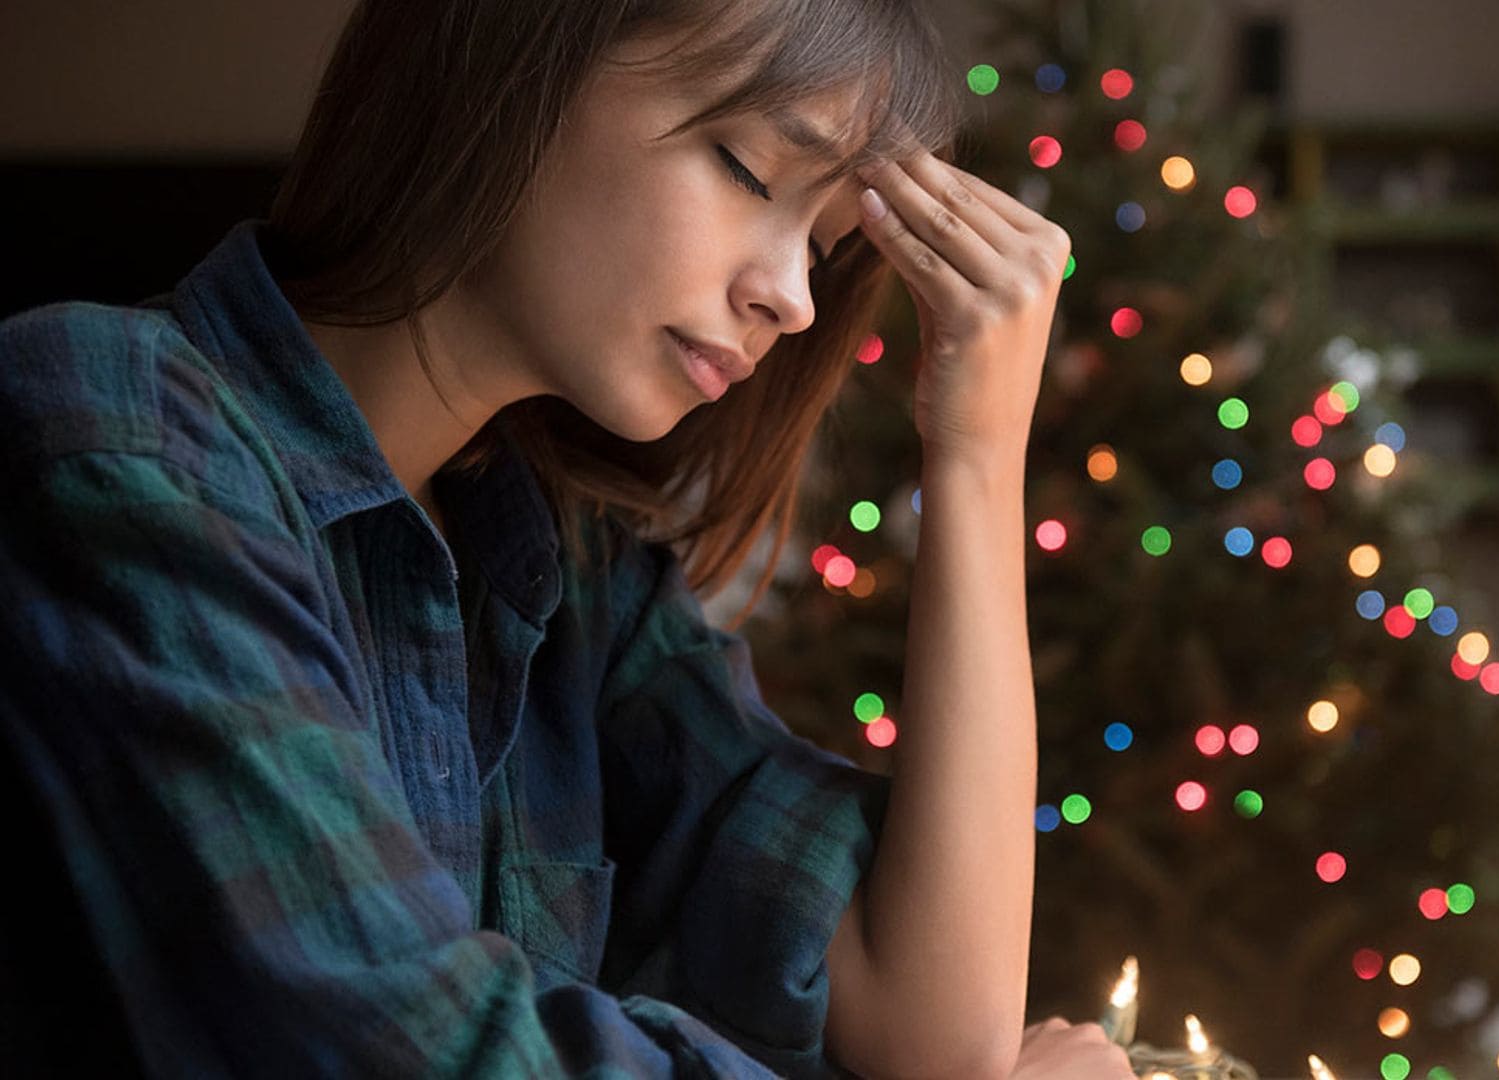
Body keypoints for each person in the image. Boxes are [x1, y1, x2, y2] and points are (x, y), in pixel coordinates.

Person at [0, 0, 1133, 1077]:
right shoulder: (116, 433)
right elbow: (419, 1052)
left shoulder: (574, 572)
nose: (793, 299)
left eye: (826, 247)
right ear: (519, 57)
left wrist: (978, 462)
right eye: (753, 172)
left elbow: (934, 1024)